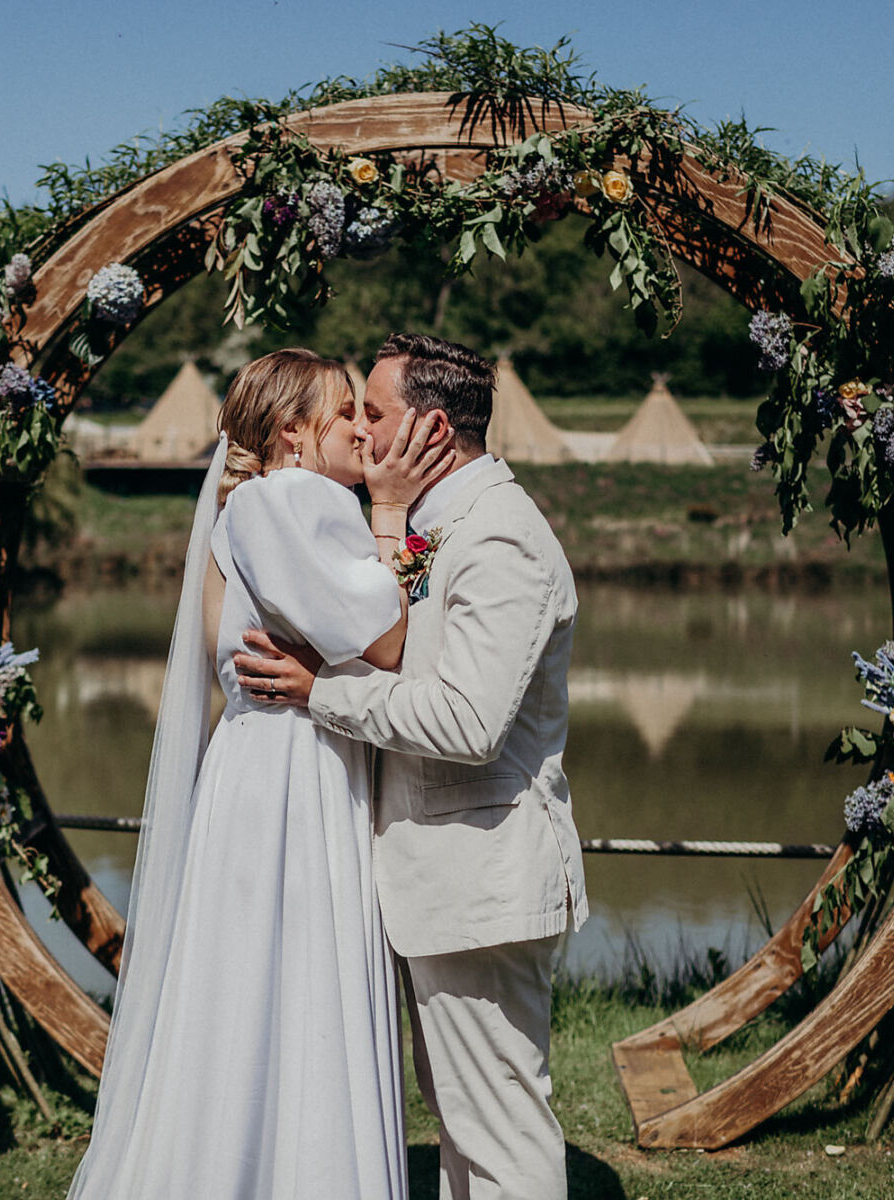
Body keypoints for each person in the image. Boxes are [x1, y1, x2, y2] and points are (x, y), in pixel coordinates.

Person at [66, 349, 449, 1200]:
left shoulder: (262, 506)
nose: (362, 426)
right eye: (344, 412)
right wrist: (389, 511)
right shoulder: (290, 499)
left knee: (252, 984)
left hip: (274, 760)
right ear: (290, 432)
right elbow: (385, 642)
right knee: (293, 976)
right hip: (292, 771)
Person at [235, 333, 588, 1200]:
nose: (359, 430)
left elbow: (467, 721)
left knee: (501, 1133)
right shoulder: (433, 526)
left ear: (430, 429)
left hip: (482, 884)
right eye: (351, 413)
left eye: (376, 413)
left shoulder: (499, 536)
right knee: (465, 1129)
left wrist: (320, 694)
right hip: (441, 888)